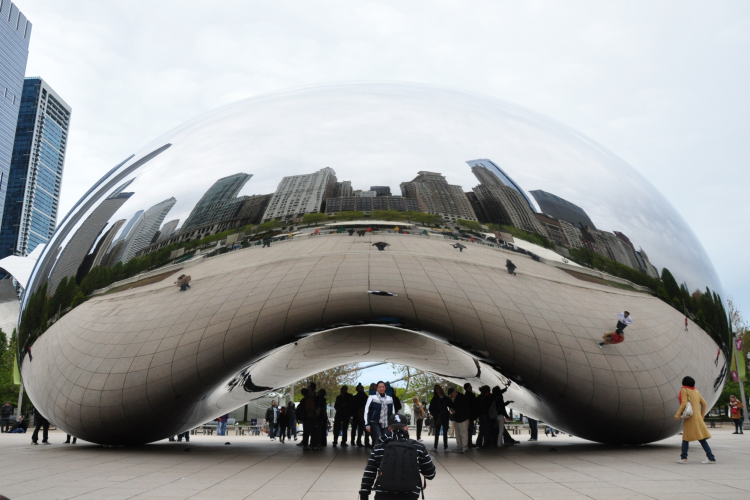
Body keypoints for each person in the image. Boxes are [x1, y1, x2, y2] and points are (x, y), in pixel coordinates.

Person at [359, 413, 436, 500]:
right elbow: (431, 474)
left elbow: (370, 472)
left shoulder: (380, 446)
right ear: (407, 428)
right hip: (410, 495)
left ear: (389, 429)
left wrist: (364, 495)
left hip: (383, 495)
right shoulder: (418, 447)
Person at [675, 376, 716, 464]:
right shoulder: (696, 391)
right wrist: (702, 416)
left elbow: (684, 403)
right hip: (698, 418)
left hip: (690, 418)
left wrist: (678, 414)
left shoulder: (684, 390)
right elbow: (704, 404)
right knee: (701, 438)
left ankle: (684, 458)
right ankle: (711, 457)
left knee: (686, 437)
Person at [428, 385, 451, 451]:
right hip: (437, 417)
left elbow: (451, 404)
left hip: (445, 416)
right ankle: (435, 446)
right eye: (436, 388)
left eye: (438, 388)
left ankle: (446, 447)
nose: (437, 389)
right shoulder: (434, 399)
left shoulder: (445, 398)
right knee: (437, 431)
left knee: (445, 432)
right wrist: (436, 414)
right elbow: (431, 408)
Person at [448, 388, 469, 453]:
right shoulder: (459, 398)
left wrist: (455, 411)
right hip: (459, 418)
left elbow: (464, 408)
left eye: (452, 394)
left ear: (455, 391)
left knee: (463, 433)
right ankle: (461, 447)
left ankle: (464, 447)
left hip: (462, 418)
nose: (452, 395)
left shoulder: (461, 398)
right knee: (459, 433)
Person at [463, 383, 478, 448]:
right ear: (467, 388)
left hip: (469, 415)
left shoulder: (466, 396)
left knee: (469, 430)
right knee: (470, 430)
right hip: (470, 416)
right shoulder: (470, 396)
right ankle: (469, 443)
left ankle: (469, 442)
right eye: (470, 386)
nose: (471, 387)